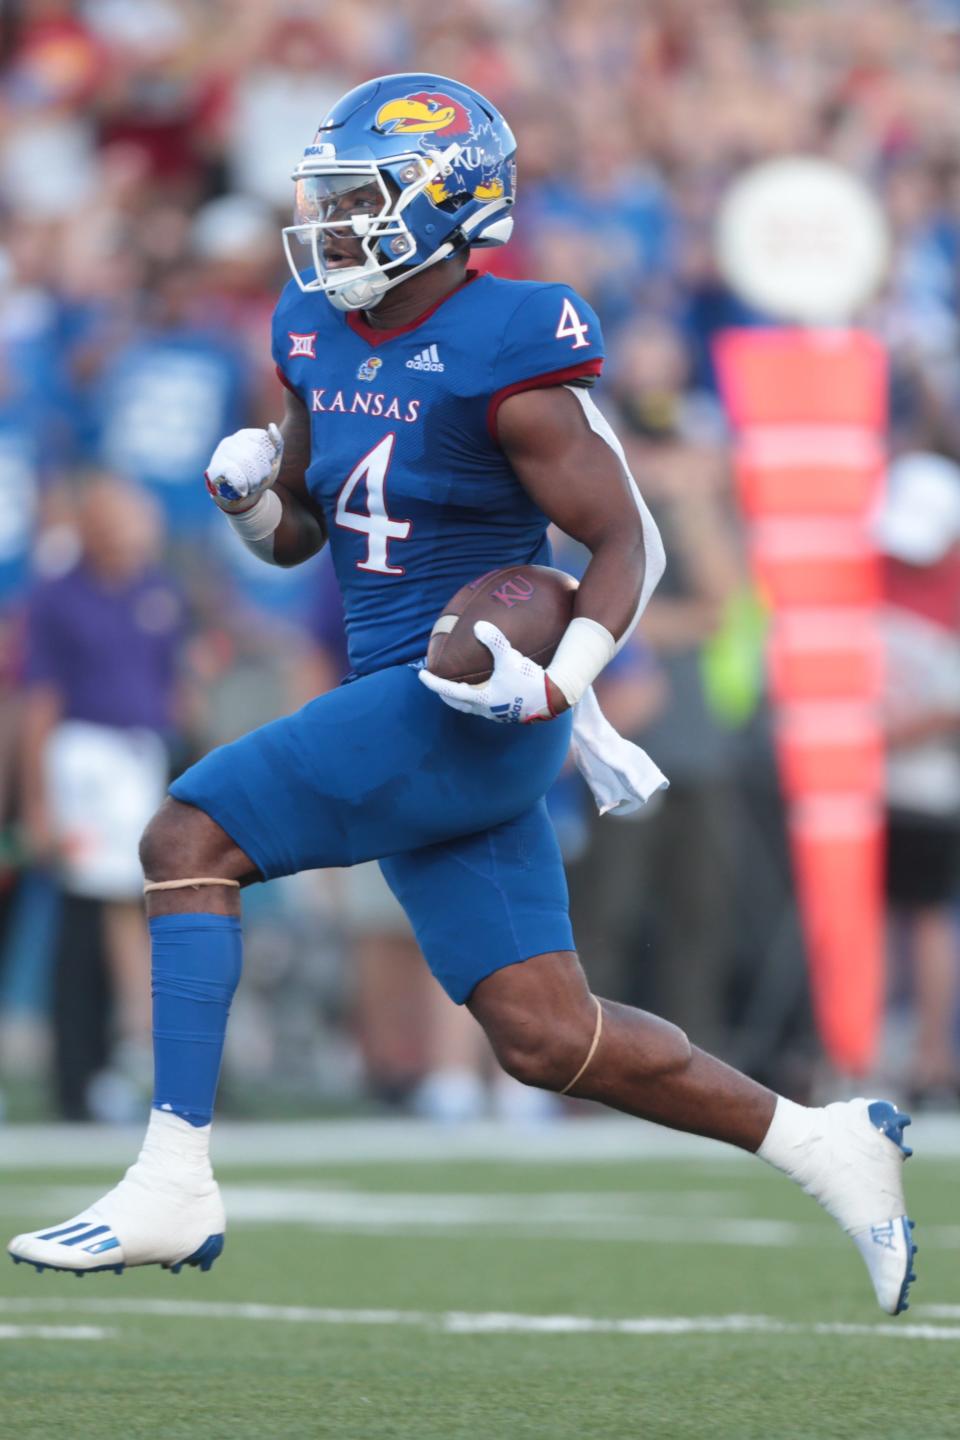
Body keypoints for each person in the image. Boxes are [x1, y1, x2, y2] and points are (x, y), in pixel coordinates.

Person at [9, 74, 916, 1315]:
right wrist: (254, 503)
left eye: (359, 199)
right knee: (546, 1035)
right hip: (404, 693)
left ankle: (172, 1178)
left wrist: (565, 682)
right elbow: (309, 536)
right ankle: (823, 1142)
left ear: (443, 204)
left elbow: (623, 543)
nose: (329, 228)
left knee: (185, 836)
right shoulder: (312, 325)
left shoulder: (513, 342)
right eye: (324, 201)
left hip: (473, 698)